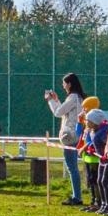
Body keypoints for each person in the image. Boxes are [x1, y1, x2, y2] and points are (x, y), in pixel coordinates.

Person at [44, 74, 86, 205]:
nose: (63, 85)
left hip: (70, 136)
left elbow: (58, 113)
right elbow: (65, 112)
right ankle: (78, 195)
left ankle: (77, 197)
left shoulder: (73, 97)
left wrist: (50, 100)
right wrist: (57, 101)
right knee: (73, 167)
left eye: (64, 83)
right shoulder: (78, 97)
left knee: (72, 167)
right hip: (76, 134)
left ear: (69, 84)